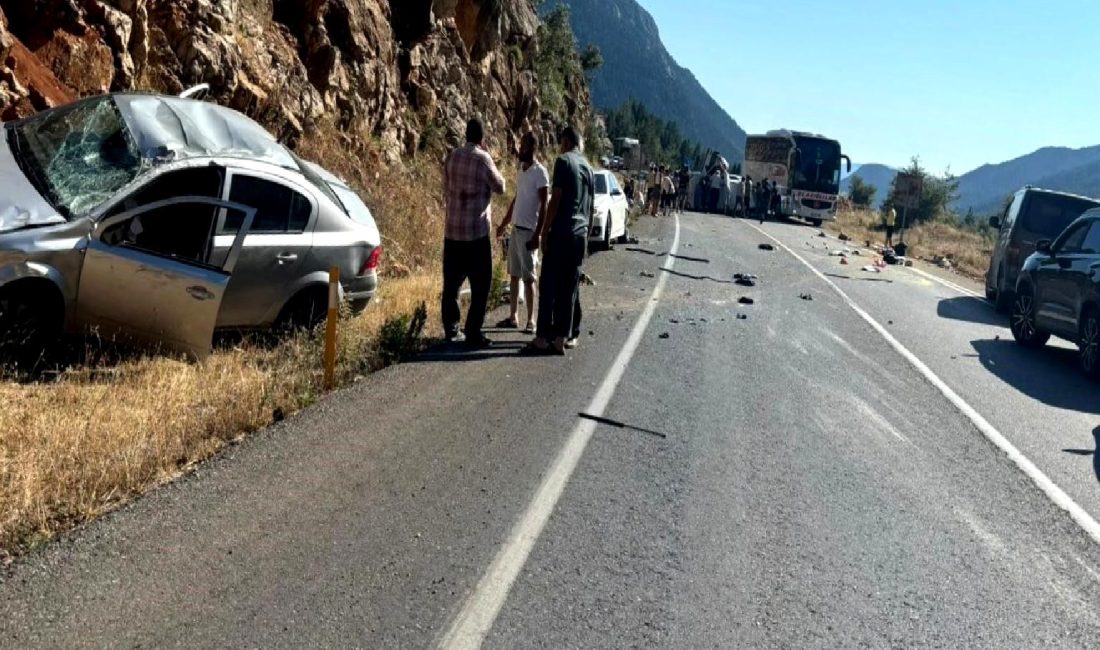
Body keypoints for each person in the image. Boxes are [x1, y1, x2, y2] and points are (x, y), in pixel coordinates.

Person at [522, 125, 593, 356]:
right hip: (580, 236)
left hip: (562, 233)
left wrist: (544, 231)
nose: (560, 147)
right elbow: (590, 207)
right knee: (569, 289)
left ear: (567, 141)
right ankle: (561, 338)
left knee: (549, 285)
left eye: (561, 142)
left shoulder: (563, 162)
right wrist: (586, 238)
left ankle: (542, 337)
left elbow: (556, 198)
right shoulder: (588, 167)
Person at [442, 117, 506, 349]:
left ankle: (451, 330)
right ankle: (473, 331)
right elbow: (501, 187)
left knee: (451, 284)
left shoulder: (452, 156)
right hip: (476, 234)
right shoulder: (483, 159)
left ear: (465, 134)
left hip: (452, 231)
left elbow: (446, 185)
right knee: (481, 285)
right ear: (482, 138)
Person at [495, 132, 548, 334]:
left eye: (524, 145)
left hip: (529, 232)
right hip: (516, 230)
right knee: (514, 275)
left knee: (529, 278)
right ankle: (513, 317)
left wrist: (538, 234)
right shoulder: (521, 170)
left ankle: (531, 321)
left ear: (533, 148)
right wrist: (504, 223)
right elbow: (517, 199)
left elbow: (544, 205)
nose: (520, 149)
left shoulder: (540, 173)